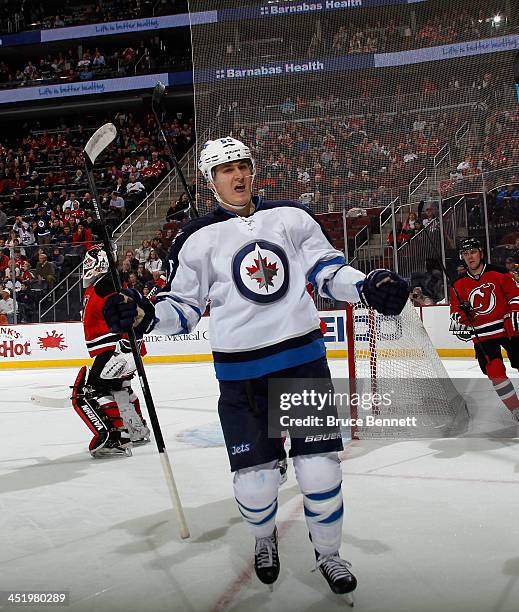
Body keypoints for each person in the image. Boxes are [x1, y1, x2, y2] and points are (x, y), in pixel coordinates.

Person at [104, 137, 408, 596]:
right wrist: (145, 315)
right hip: (241, 374)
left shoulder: (291, 217)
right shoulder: (195, 239)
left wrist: (366, 286)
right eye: (226, 169)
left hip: (300, 364)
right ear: (211, 181)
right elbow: (182, 307)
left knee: (320, 469)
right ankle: (264, 538)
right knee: (256, 482)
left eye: (243, 165)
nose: (239, 175)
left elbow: (327, 269)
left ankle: (329, 554)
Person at [71, 245, 151, 458]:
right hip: (118, 348)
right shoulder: (99, 285)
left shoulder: (107, 283)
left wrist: (127, 347)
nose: (86, 266)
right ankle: (136, 429)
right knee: (120, 388)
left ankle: (115, 437)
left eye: (90, 262)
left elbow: (128, 309)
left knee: (93, 392)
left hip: (115, 348)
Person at [450, 238, 519, 421]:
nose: (469, 256)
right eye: (465, 254)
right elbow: (455, 316)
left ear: (481, 253)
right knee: (495, 372)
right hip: (482, 335)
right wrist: (463, 314)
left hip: (507, 330)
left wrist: (514, 315)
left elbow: (515, 296)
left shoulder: (500, 273)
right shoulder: (457, 285)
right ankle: (516, 410)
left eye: (472, 252)